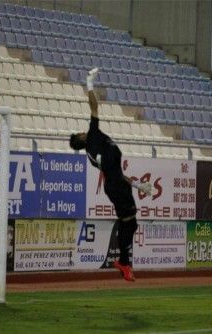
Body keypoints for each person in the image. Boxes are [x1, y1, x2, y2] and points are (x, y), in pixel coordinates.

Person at [69, 68, 152, 281]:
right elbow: (94, 106)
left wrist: (137, 186)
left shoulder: (91, 148)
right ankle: (124, 263)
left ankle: (124, 262)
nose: (83, 131)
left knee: (129, 222)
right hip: (114, 185)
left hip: (117, 183)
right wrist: (89, 84)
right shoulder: (93, 138)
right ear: (81, 138)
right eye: (80, 133)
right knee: (129, 222)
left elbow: (115, 172)